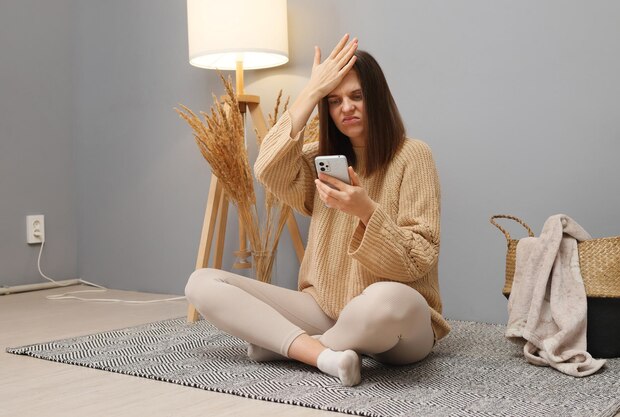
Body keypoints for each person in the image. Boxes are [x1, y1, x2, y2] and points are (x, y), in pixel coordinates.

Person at [185, 34, 450, 387]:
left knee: (387, 300)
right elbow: (266, 168)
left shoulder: (413, 155)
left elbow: (419, 257)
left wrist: (367, 211)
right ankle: (325, 356)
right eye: (333, 100)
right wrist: (311, 91)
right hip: (324, 309)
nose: (346, 108)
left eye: (357, 96)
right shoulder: (316, 160)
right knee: (202, 283)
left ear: (377, 99)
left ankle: (288, 345)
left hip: (398, 327)